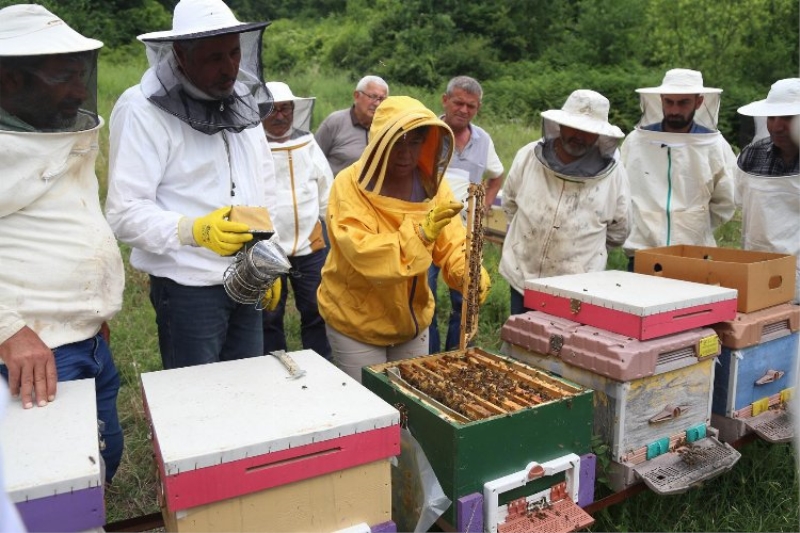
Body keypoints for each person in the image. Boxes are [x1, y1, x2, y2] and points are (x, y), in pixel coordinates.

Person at [105, 0, 281, 370]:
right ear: (181, 56)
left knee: (247, 390)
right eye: (214, 57)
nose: (229, 67)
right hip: (187, 288)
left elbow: (263, 183)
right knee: (196, 404)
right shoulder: (140, 110)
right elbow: (124, 212)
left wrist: (268, 253)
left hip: (247, 276)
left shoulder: (241, 103)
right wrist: (192, 230)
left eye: (234, 53)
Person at [0, 4, 124, 484]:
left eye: (79, 76)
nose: (78, 90)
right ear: (11, 80)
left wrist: (92, 313)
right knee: (52, 485)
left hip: (87, 342)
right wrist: (9, 329)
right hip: (31, 357)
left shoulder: (59, 133)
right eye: (63, 78)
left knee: (101, 459)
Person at [317, 96, 491, 382]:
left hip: (413, 322)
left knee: (410, 411)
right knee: (371, 414)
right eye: (397, 142)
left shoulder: (432, 186)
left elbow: (453, 244)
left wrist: (467, 273)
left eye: (414, 142)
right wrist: (420, 235)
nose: (405, 154)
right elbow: (363, 253)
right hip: (357, 323)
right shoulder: (347, 186)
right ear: (379, 141)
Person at [499, 90, 630, 315]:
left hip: (578, 288)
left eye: (588, 131)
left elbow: (619, 230)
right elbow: (510, 203)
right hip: (523, 275)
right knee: (520, 343)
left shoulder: (615, 175)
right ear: (560, 125)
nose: (579, 135)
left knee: (566, 347)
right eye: (573, 126)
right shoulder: (528, 157)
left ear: (600, 134)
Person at [622, 68, 736, 270]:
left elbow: (726, 200)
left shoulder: (714, 146)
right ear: (661, 99)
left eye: (683, 102)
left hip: (693, 256)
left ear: (699, 102)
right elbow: (621, 192)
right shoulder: (636, 142)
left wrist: (693, 222)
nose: (674, 110)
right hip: (642, 254)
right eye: (669, 102)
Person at [428, 76, 505, 353]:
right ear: (445, 100)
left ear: (478, 107)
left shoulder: (483, 139)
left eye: (471, 106)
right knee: (425, 297)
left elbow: (496, 175)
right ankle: (429, 356)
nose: (463, 110)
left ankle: (458, 355)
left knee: (466, 297)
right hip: (428, 231)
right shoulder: (428, 132)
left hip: (465, 234)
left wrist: (485, 205)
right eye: (458, 103)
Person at [261, 81, 333, 359]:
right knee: (269, 314)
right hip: (267, 247)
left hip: (310, 245)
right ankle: (273, 369)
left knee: (316, 309)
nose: (280, 116)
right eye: (272, 110)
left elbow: (327, 189)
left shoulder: (307, 141)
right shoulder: (252, 145)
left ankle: (320, 366)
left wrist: (334, 232)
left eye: (286, 109)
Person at [735, 78, 800, 303]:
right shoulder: (752, 155)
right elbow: (741, 201)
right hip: (754, 273)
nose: (777, 126)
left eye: (788, 118)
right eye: (771, 118)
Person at [315, 75, 389, 177]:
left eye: (381, 99)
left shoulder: (386, 128)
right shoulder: (335, 122)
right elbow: (313, 162)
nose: (377, 103)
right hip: (337, 191)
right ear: (357, 95)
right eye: (372, 97)